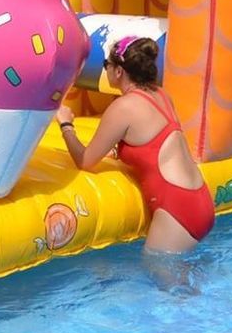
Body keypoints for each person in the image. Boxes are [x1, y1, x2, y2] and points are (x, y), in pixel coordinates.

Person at [55, 36, 214, 254]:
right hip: (200, 198)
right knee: (182, 282)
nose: (106, 70)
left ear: (119, 71)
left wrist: (66, 125)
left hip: (176, 208)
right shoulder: (162, 95)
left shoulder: (124, 107)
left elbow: (85, 161)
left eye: (106, 65)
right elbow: (152, 145)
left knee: (160, 278)